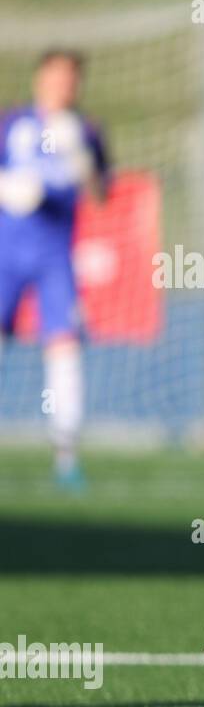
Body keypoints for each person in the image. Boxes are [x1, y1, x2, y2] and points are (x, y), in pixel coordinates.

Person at [0, 49, 108, 490]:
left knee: (64, 349)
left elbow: (101, 192)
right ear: (40, 78)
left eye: (70, 78)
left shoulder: (86, 131)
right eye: (55, 76)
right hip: (5, 253)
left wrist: (83, 165)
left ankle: (66, 456)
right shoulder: (12, 123)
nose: (62, 85)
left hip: (54, 258)